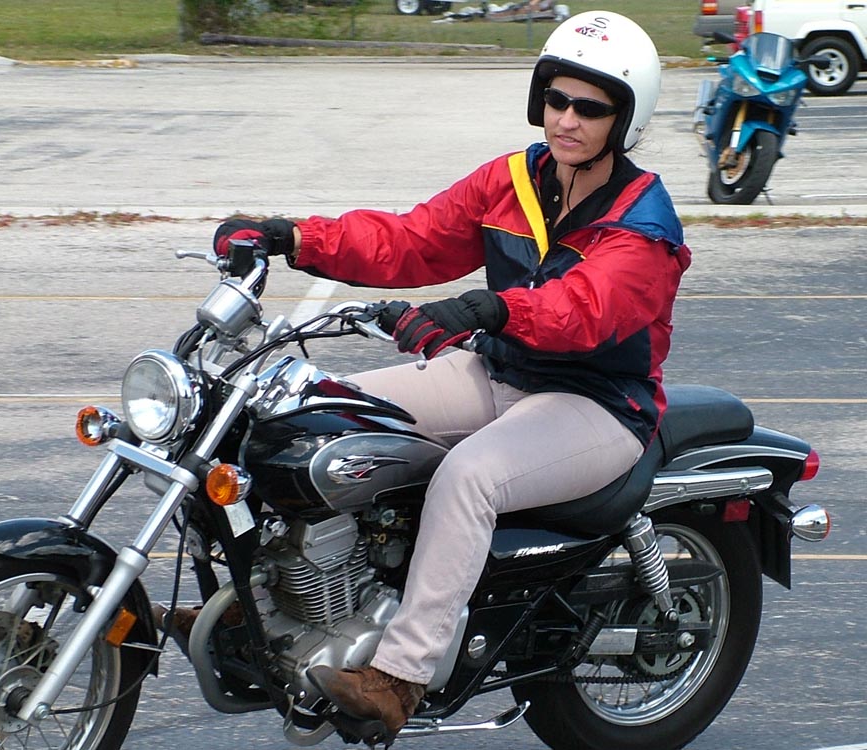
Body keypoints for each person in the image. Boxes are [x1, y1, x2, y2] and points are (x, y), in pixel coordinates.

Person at [171, 10, 691, 738]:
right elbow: (412, 240)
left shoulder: (644, 224)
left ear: (625, 119)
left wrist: (484, 308)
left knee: (468, 477)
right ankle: (259, 607)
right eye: (556, 99)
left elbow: (585, 310)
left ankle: (398, 677)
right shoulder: (513, 179)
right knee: (315, 419)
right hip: (497, 371)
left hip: (597, 404)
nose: (567, 119)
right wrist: (294, 237)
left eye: (591, 107)